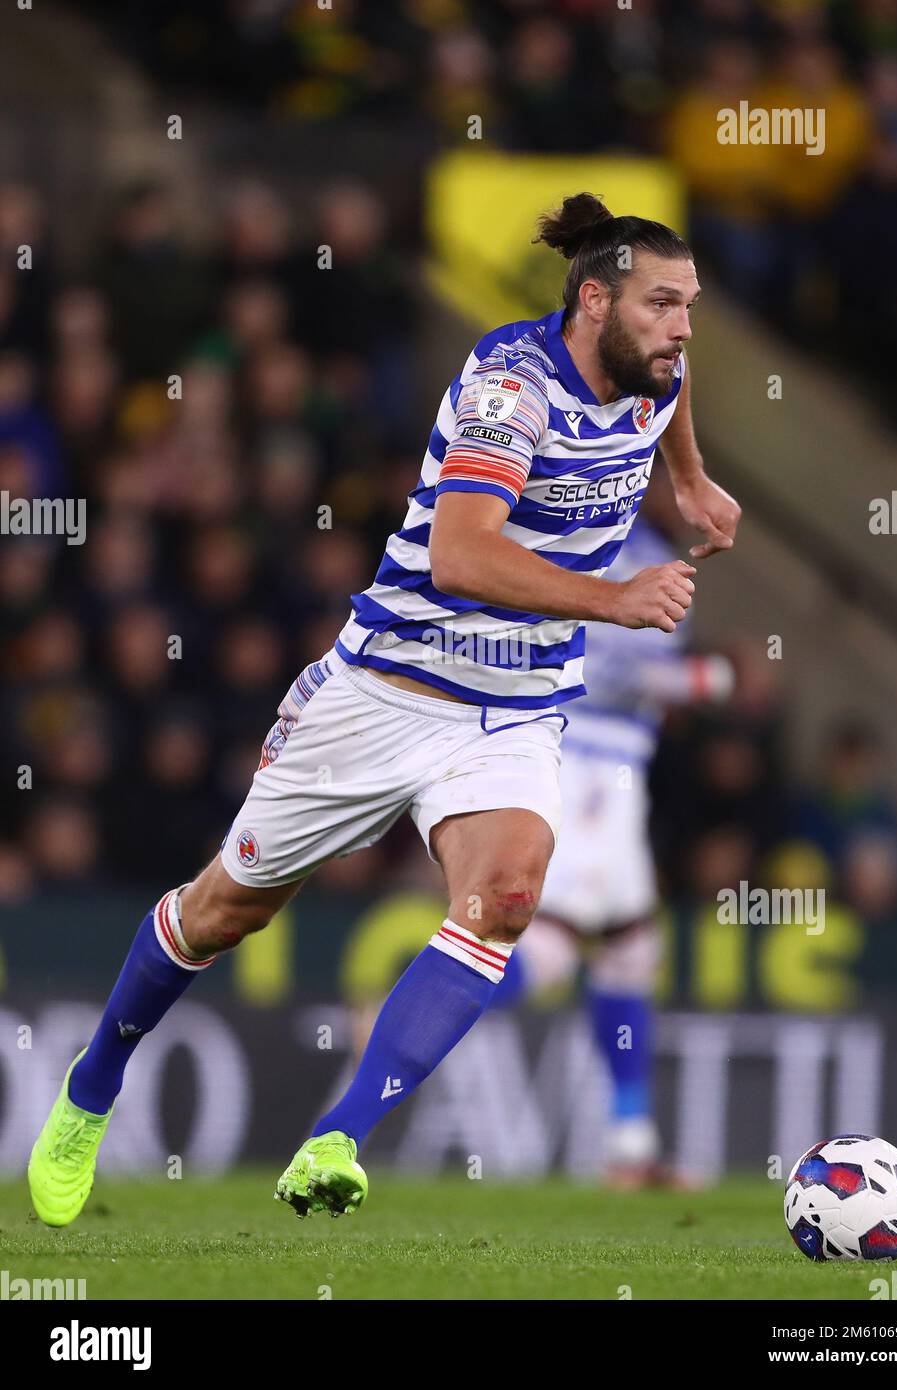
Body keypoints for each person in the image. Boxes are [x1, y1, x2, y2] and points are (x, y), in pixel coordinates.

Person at [28, 192, 740, 1226]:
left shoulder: (650, 366)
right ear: (593, 303)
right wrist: (614, 599)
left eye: (690, 305)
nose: (681, 327)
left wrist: (691, 480)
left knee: (503, 897)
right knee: (224, 909)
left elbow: (671, 391)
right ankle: (91, 1089)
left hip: (512, 709)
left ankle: (337, 1138)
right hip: (386, 692)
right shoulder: (511, 389)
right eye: (662, 304)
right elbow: (460, 553)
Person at [493, 515, 735, 1186]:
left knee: (630, 952)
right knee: (548, 952)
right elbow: (608, 672)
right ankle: (404, 1006)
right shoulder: (568, 546)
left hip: (614, 774)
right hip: (582, 767)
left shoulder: (643, 553)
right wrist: (705, 681)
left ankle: (630, 1145)